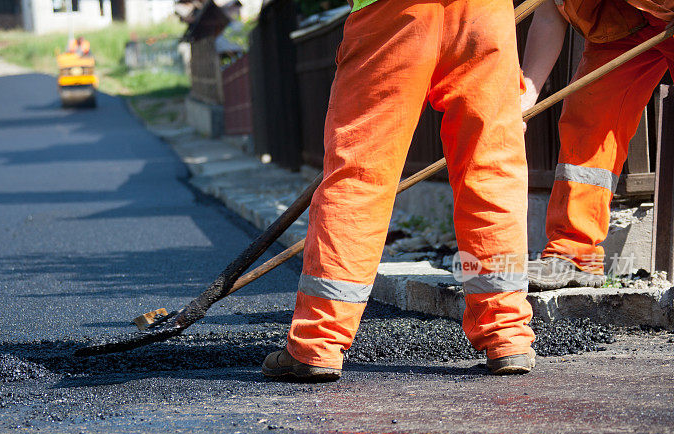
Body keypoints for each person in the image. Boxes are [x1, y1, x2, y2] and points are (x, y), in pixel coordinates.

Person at [261, 0, 536, 381]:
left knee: (360, 175)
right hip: (484, 13)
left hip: (394, 14)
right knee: (491, 171)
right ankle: (507, 336)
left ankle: (318, 342)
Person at [521, 0, 674, 291]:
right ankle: (574, 252)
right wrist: (526, 97)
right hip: (623, 26)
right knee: (588, 117)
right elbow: (550, 14)